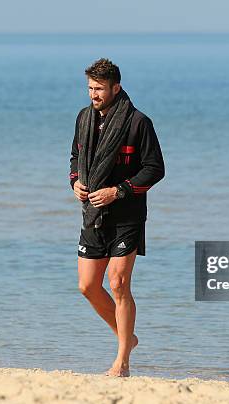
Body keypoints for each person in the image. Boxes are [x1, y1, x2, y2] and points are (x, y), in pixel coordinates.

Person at [69, 58, 165, 377]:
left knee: (119, 283)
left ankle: (122, 361)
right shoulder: (84, 118)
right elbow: (74, 157)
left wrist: (118, 190)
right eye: (90, 88)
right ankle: (128, 338)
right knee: (87, 286)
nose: (93, 94)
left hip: (127, 215)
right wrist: (76, 183)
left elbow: (154, 169)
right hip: (93, 215)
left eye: (99, 89)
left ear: (116, 87)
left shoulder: (139, 123)